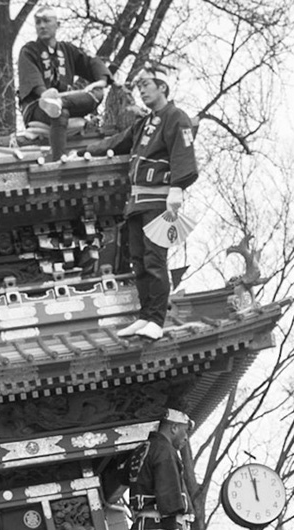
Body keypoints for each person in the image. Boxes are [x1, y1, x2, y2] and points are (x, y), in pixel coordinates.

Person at [95, 69, 197, 340]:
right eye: (139, 86)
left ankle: (156, 318)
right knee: (138, 260)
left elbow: (183, 151)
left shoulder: (176, 117)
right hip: (137, 202)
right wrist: (84, 152)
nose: (142, 91)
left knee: (155, 259)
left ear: (162, 86)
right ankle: (145, 316)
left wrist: (178, 186)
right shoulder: (144, 123)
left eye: (146, 85)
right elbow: (118, 142)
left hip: (160, 199)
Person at [17, 10, 112, 160]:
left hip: (65, 101)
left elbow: (90, 62)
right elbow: (32, 79)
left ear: (57, 25)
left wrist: (102, 79)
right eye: (38, 22)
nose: (42, 26)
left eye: (46, 21)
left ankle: (59, 102)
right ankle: (59, 158)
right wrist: (45, 95)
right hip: (38, 106)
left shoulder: (68, 50)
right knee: (59, 112)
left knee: (98, 93)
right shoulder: (28, 51)